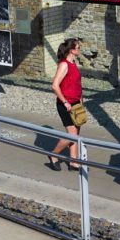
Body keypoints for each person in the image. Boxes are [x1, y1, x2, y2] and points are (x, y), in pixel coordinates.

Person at [47, 38, 85, 171]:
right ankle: (53, 154)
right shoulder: (64, 64)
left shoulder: (73, 63)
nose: (79, 50)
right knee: (72, 135)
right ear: (72, 50)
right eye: (78, 48)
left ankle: (74, 162)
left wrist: (81, 100)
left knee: (76, 132)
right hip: (65, 104)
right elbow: (54, 85)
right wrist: (65, 102)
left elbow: (76, 84)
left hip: (75, 103)